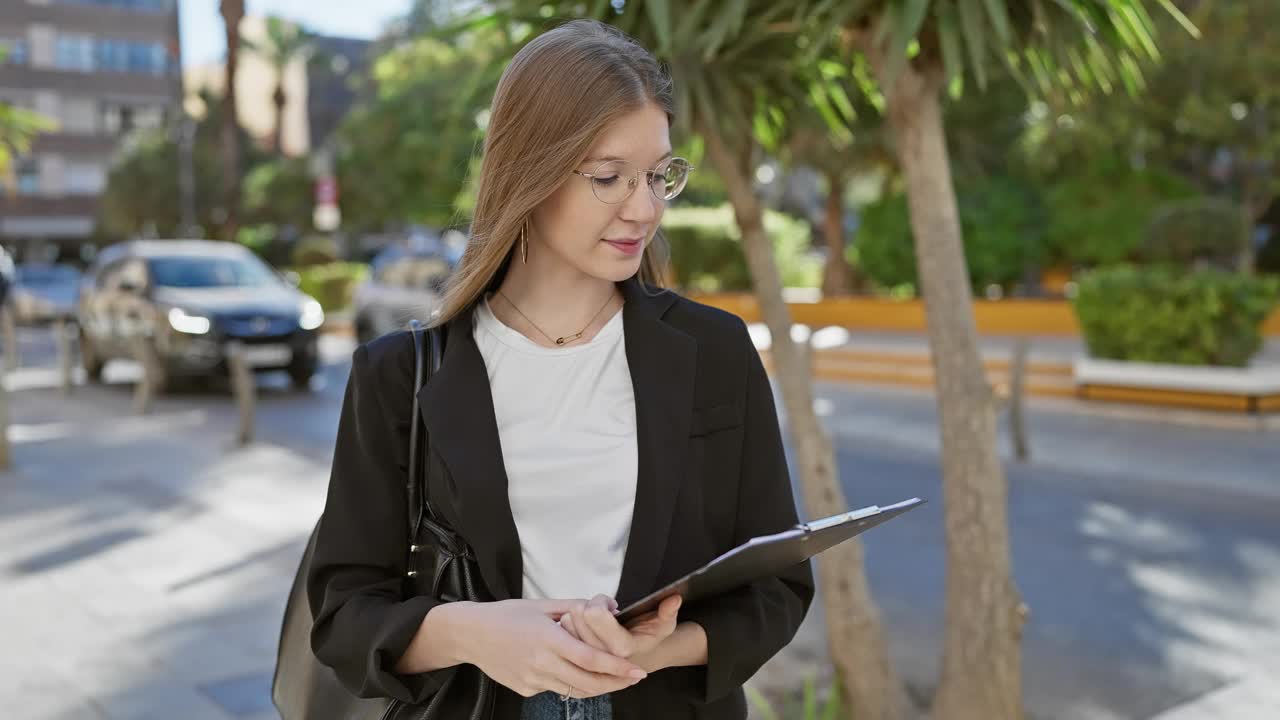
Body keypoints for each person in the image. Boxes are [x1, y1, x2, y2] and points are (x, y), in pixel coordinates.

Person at [307, 18, 814, 720]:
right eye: (609, 177)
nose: (645, 208)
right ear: (530, 170)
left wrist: (657, 649)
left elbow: (778, 587)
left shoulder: (716, 353)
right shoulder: (400, 377)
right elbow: (341, 620)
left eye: (658, 175)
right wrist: (476, 634)